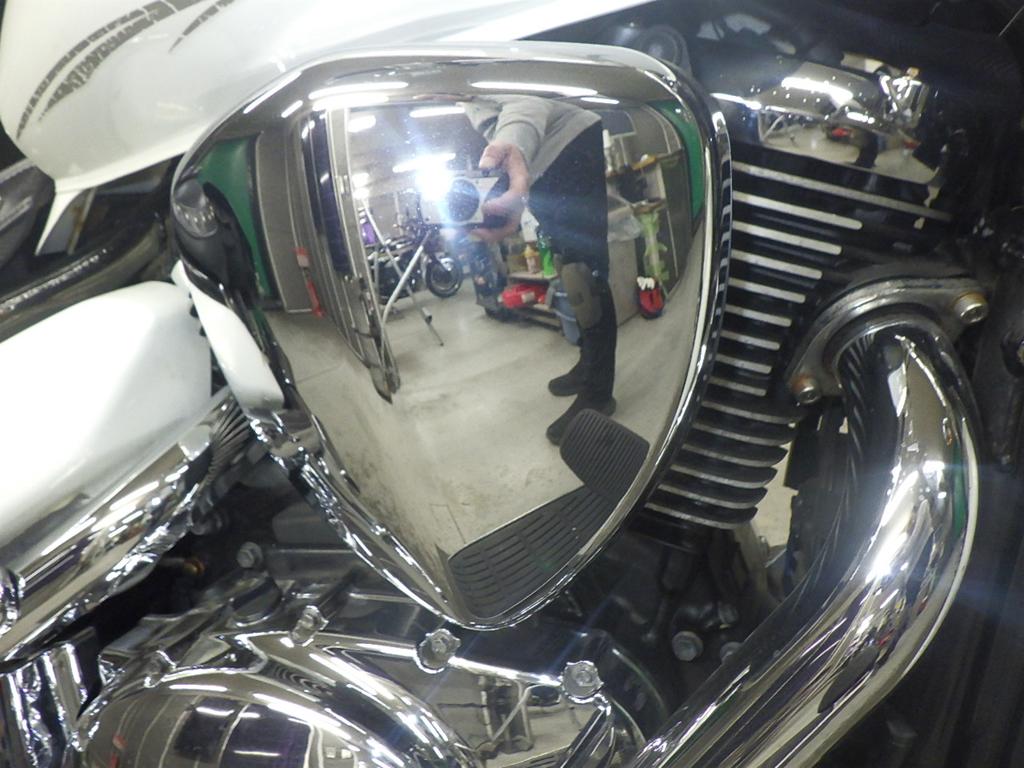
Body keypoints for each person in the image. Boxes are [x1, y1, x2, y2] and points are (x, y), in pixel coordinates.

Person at [464, 96, 618, 445]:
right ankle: (589, 362)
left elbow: (523, 96)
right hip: (540, 160)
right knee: (566, 266)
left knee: (584, 273)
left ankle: (598, 393)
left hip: (567, 142)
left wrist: (511, 147)